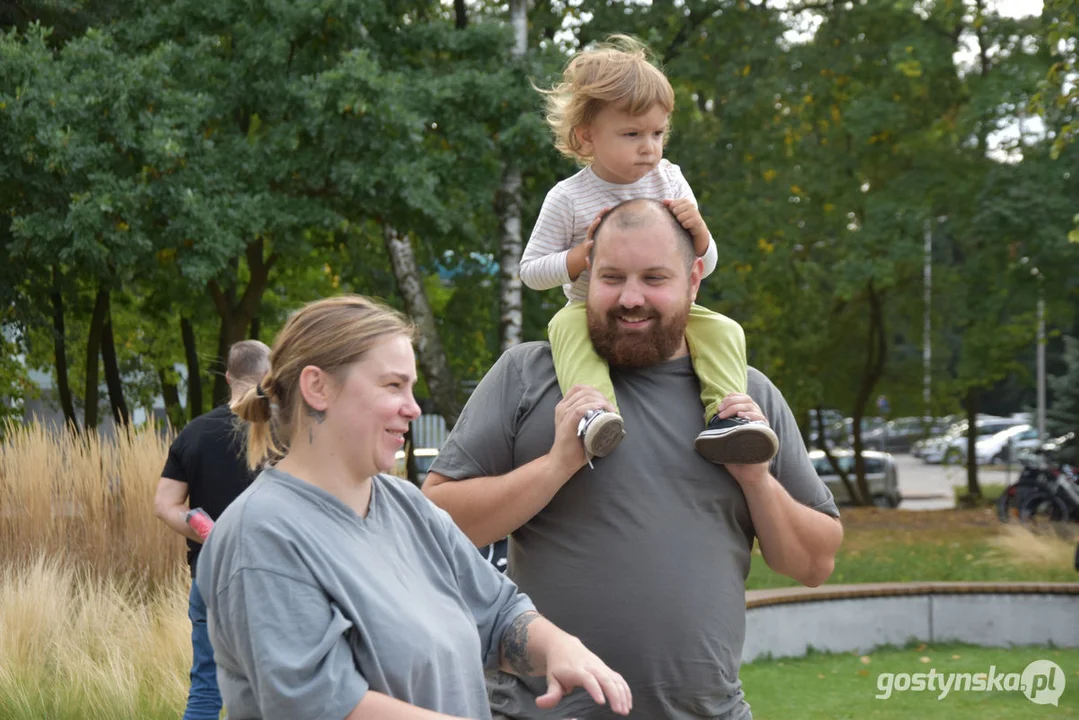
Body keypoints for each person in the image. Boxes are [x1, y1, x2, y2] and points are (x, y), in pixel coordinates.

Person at [425, 199, 844, 719]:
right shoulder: (526, 377)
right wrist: (556, 464)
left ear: (693, 280)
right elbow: (437, 525)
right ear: (586, 278)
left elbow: (813, 563)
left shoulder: (743, 401)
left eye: (653, 278)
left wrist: (757, 480)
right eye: (612, 277)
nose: (630, 298)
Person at [195, 295, 633, 720]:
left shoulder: (406, 505)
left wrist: (559, 647)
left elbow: (498, 615)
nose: (413, 407)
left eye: (413, 387)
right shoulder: (262, 535)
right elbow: (320, 706)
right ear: (318, 387)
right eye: (393, 385)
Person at [520, 34, 777, 465]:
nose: (649, 147)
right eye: (632, 133)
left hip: (662, 307)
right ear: (587, 137)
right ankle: (596, 415)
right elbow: (530, 271)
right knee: (564, 331)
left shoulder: (670, 181)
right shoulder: (567, 198)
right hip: (591, 312)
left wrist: (700, 233)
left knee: (725, 330)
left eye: (658, 133)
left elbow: (704, 268)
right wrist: (579, 258)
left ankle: (727, 417)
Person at [154, 339, 271, 720]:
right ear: (269, 377)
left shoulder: (194, 433)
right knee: (272, 692)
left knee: (206, 691)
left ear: (228, 377)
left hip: (210, 573)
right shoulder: (282, 434)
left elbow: (165, 505)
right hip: (274, 576)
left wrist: (212, 533)